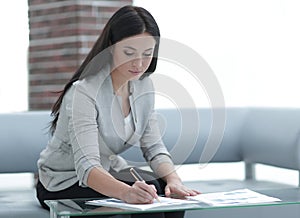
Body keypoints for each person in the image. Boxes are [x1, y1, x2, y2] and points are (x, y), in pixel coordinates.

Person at [36, 5, 200, 218]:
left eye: (147, 54)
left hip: (108, 171)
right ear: (111, 47)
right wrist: (127, 193)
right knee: (149, 198)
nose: (139, 63)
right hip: (63, 182)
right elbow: (87, 167)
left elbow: (153, 146)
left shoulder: (144, 85)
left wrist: (174, 181)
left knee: (170, 195)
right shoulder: (84, 92)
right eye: (129, 53)